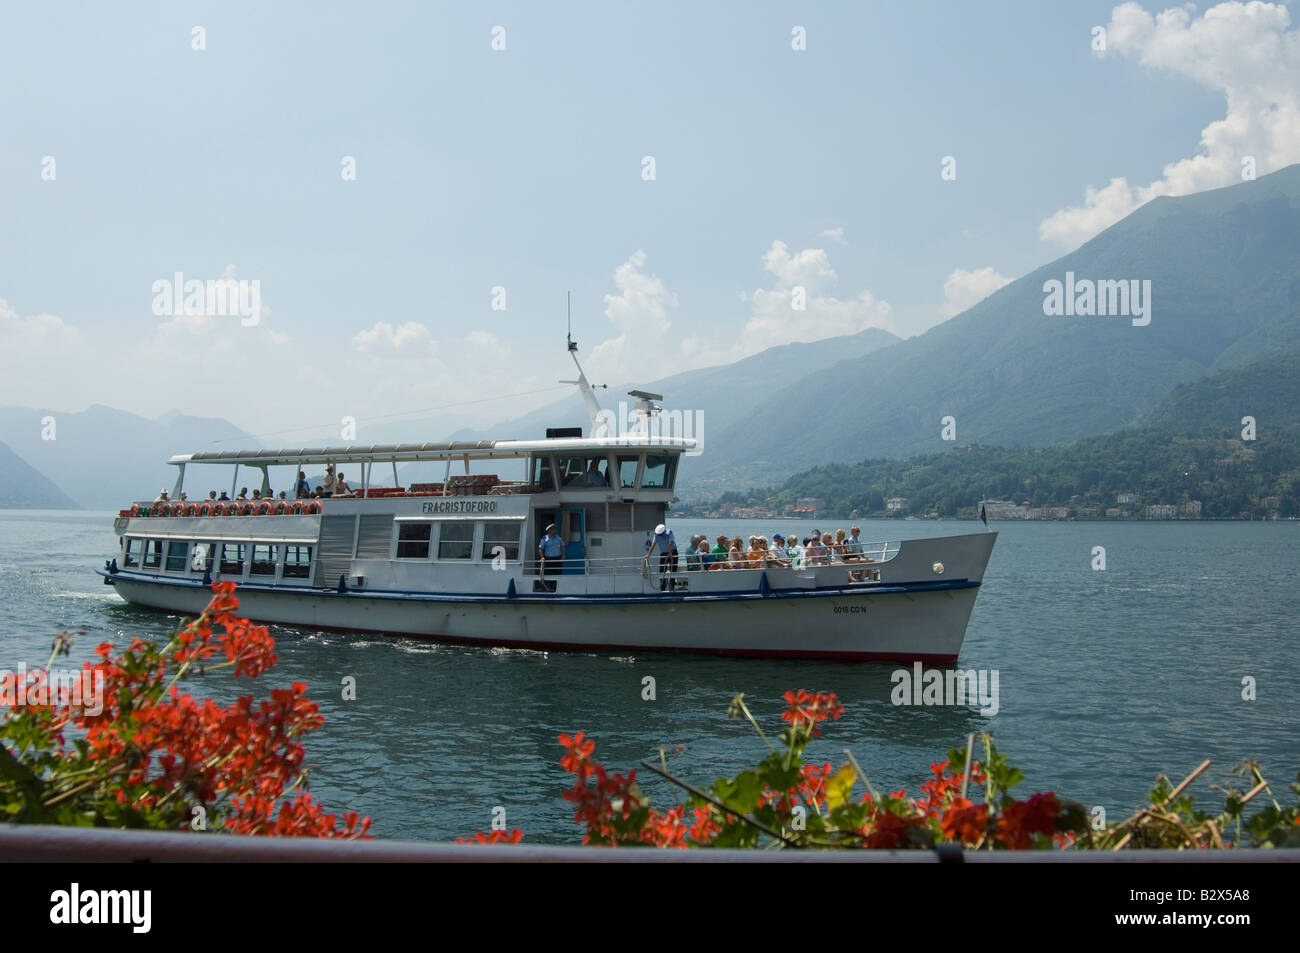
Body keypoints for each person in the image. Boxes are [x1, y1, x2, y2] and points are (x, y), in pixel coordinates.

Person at [643, 523, 677, 590]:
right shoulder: (657, 534)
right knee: (662, 570)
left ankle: (671, 586)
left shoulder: (669, 532)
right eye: (659, 535)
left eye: (661, 534)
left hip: (673, 552)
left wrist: (670, 553)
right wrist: (648, 555)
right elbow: (653, 544)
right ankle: (662, 587)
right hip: (663, 553)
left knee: (673, 569)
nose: (660, 536)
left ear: (664, 531)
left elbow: (671, 543)